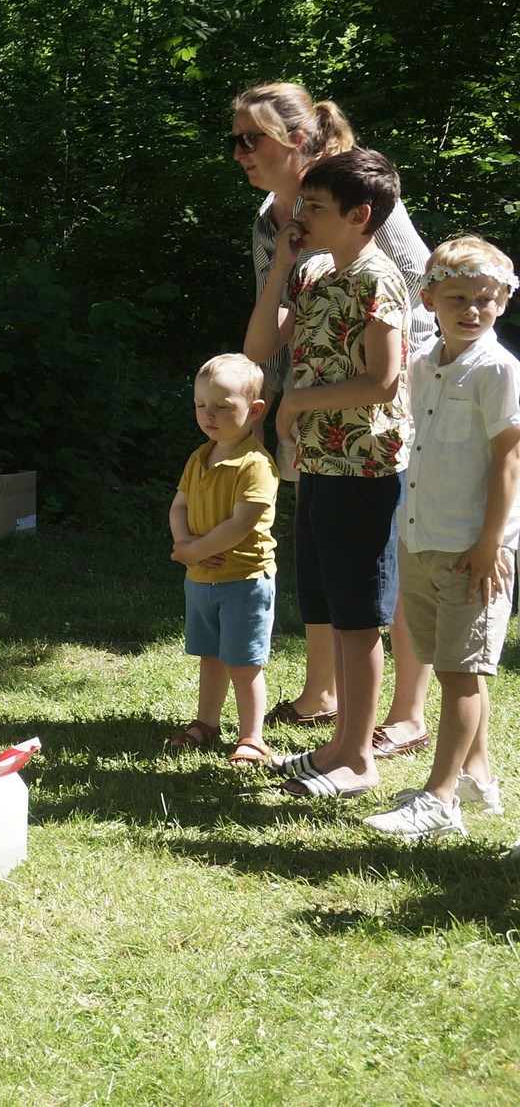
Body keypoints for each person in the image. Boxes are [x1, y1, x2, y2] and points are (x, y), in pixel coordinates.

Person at [230, 82, 436, 753]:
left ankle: (403, 714)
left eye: (249, 138)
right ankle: (325, 693)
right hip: (317, 402)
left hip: (396, 400)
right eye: (235, 140)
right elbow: (271, 333)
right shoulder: (273, 219)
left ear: (296, 139)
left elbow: (423, 293)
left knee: (387, 552)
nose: (239, 153)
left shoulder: (354, 196)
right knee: (326, 552)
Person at [243, 149, 411, 798]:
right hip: (317, 464)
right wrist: (282, 264)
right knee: (330, 604)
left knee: (359, 613)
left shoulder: (378, 278)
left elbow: (381, 379)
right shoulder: (313, 271)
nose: (301, 214)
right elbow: (261, 346)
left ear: (358, 215)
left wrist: (297, 402)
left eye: (315, 207)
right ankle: (338, 745)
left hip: (363, 467)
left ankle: (359, 759)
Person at [363, 237, 520, 837]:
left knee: (460, 672)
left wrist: (490, 544)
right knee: (451, 664)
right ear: (428, 299)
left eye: (486, 299)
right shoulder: (425, 360)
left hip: (472, 552)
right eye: (457, 297)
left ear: (504, 302)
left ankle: (441, 798)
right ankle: (477, 776)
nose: (472, 310)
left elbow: (509, 460)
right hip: (422, 537)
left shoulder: (497, 369)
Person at [165, 354, 279, 766]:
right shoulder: (200, 456)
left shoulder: (256, 464)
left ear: (255, 410)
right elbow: (179, 505)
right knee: (210, 656)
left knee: (243, 662)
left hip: (243, 580)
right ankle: (206, 723)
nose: (208, 414)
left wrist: (195, 550)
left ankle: (252, 737)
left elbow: (241, 524)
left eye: (222, 405)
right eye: (200, 405)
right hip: (200, 579)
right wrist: (183, 542)